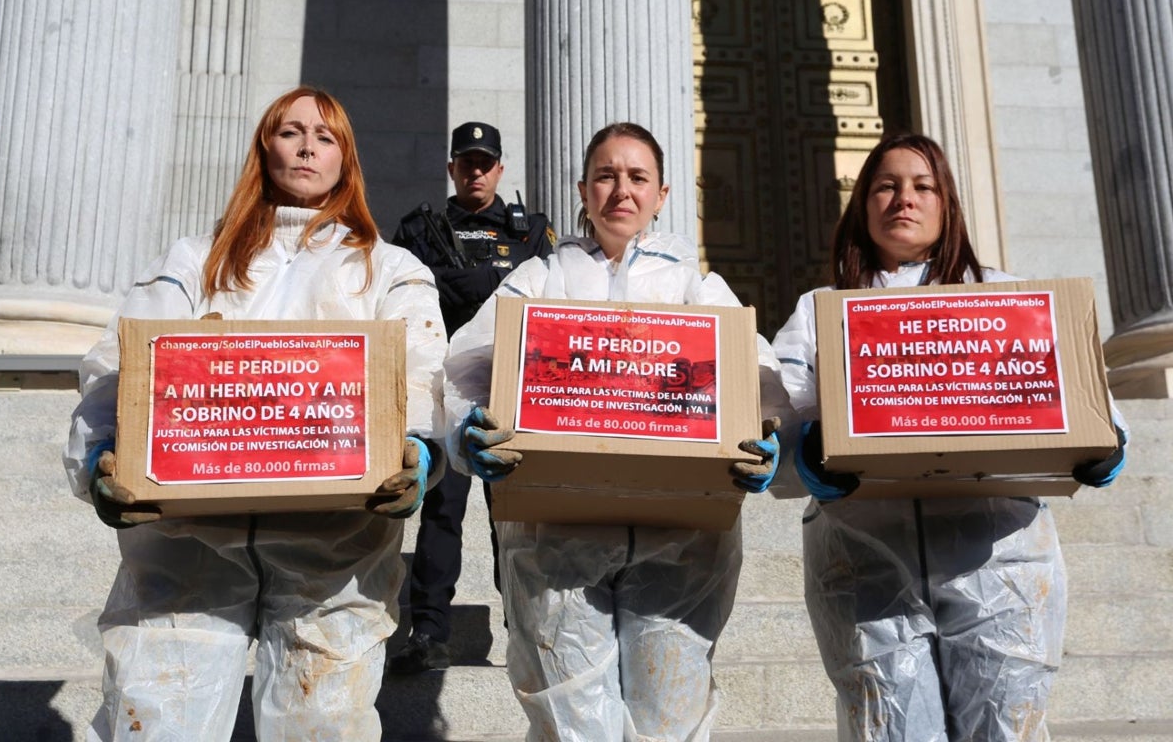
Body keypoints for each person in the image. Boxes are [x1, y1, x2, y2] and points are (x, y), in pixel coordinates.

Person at [62, 86, 447, 740]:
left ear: (345, 160)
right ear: (264, 147)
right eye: (291, 131)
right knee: (156, 720)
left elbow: (419, 373)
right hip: (188, 547)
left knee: (320, 726)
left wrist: (419, 452)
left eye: (325, 137)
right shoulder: (192, 261)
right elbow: (119, 368)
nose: (306, 147)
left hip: (334, 549)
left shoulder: (389, 270)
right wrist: (101, 456)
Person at [771, 132, 1128, 742]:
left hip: (999, 560)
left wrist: (1105, 448)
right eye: (885, 186)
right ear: (861, 205)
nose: (902, 200)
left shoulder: (1005, 296)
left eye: (922, 186)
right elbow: (774, 421)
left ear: (947, 205)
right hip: (866, 566)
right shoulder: (820, 311)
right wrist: (805, 455)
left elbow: (1091, 406)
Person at [443, 122, 793, 740]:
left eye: (638, 177)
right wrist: (466, 436)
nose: (621, 190)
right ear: (583, 189)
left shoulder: (695, 286)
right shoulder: (539, 280)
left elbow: (760, 379)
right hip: (556, 541)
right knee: (572, 721)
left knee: (670, 722)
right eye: (606, 175)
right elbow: (459, 371)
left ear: (662, 195)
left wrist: (767, 437)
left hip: (682, 540)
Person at [389, 121, 555, 673]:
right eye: (467, 162)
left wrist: (465, 283)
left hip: (512, 392)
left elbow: (546, 299)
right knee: (441, 512)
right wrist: (491, 280)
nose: (476, 171)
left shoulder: (531, 230)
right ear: (452, 168)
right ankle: (429, 630)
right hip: (445, 389)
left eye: (486, 163)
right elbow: (405, 293)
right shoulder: (422, 229)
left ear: (501, 169)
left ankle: (524, 631)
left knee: (513, 517)